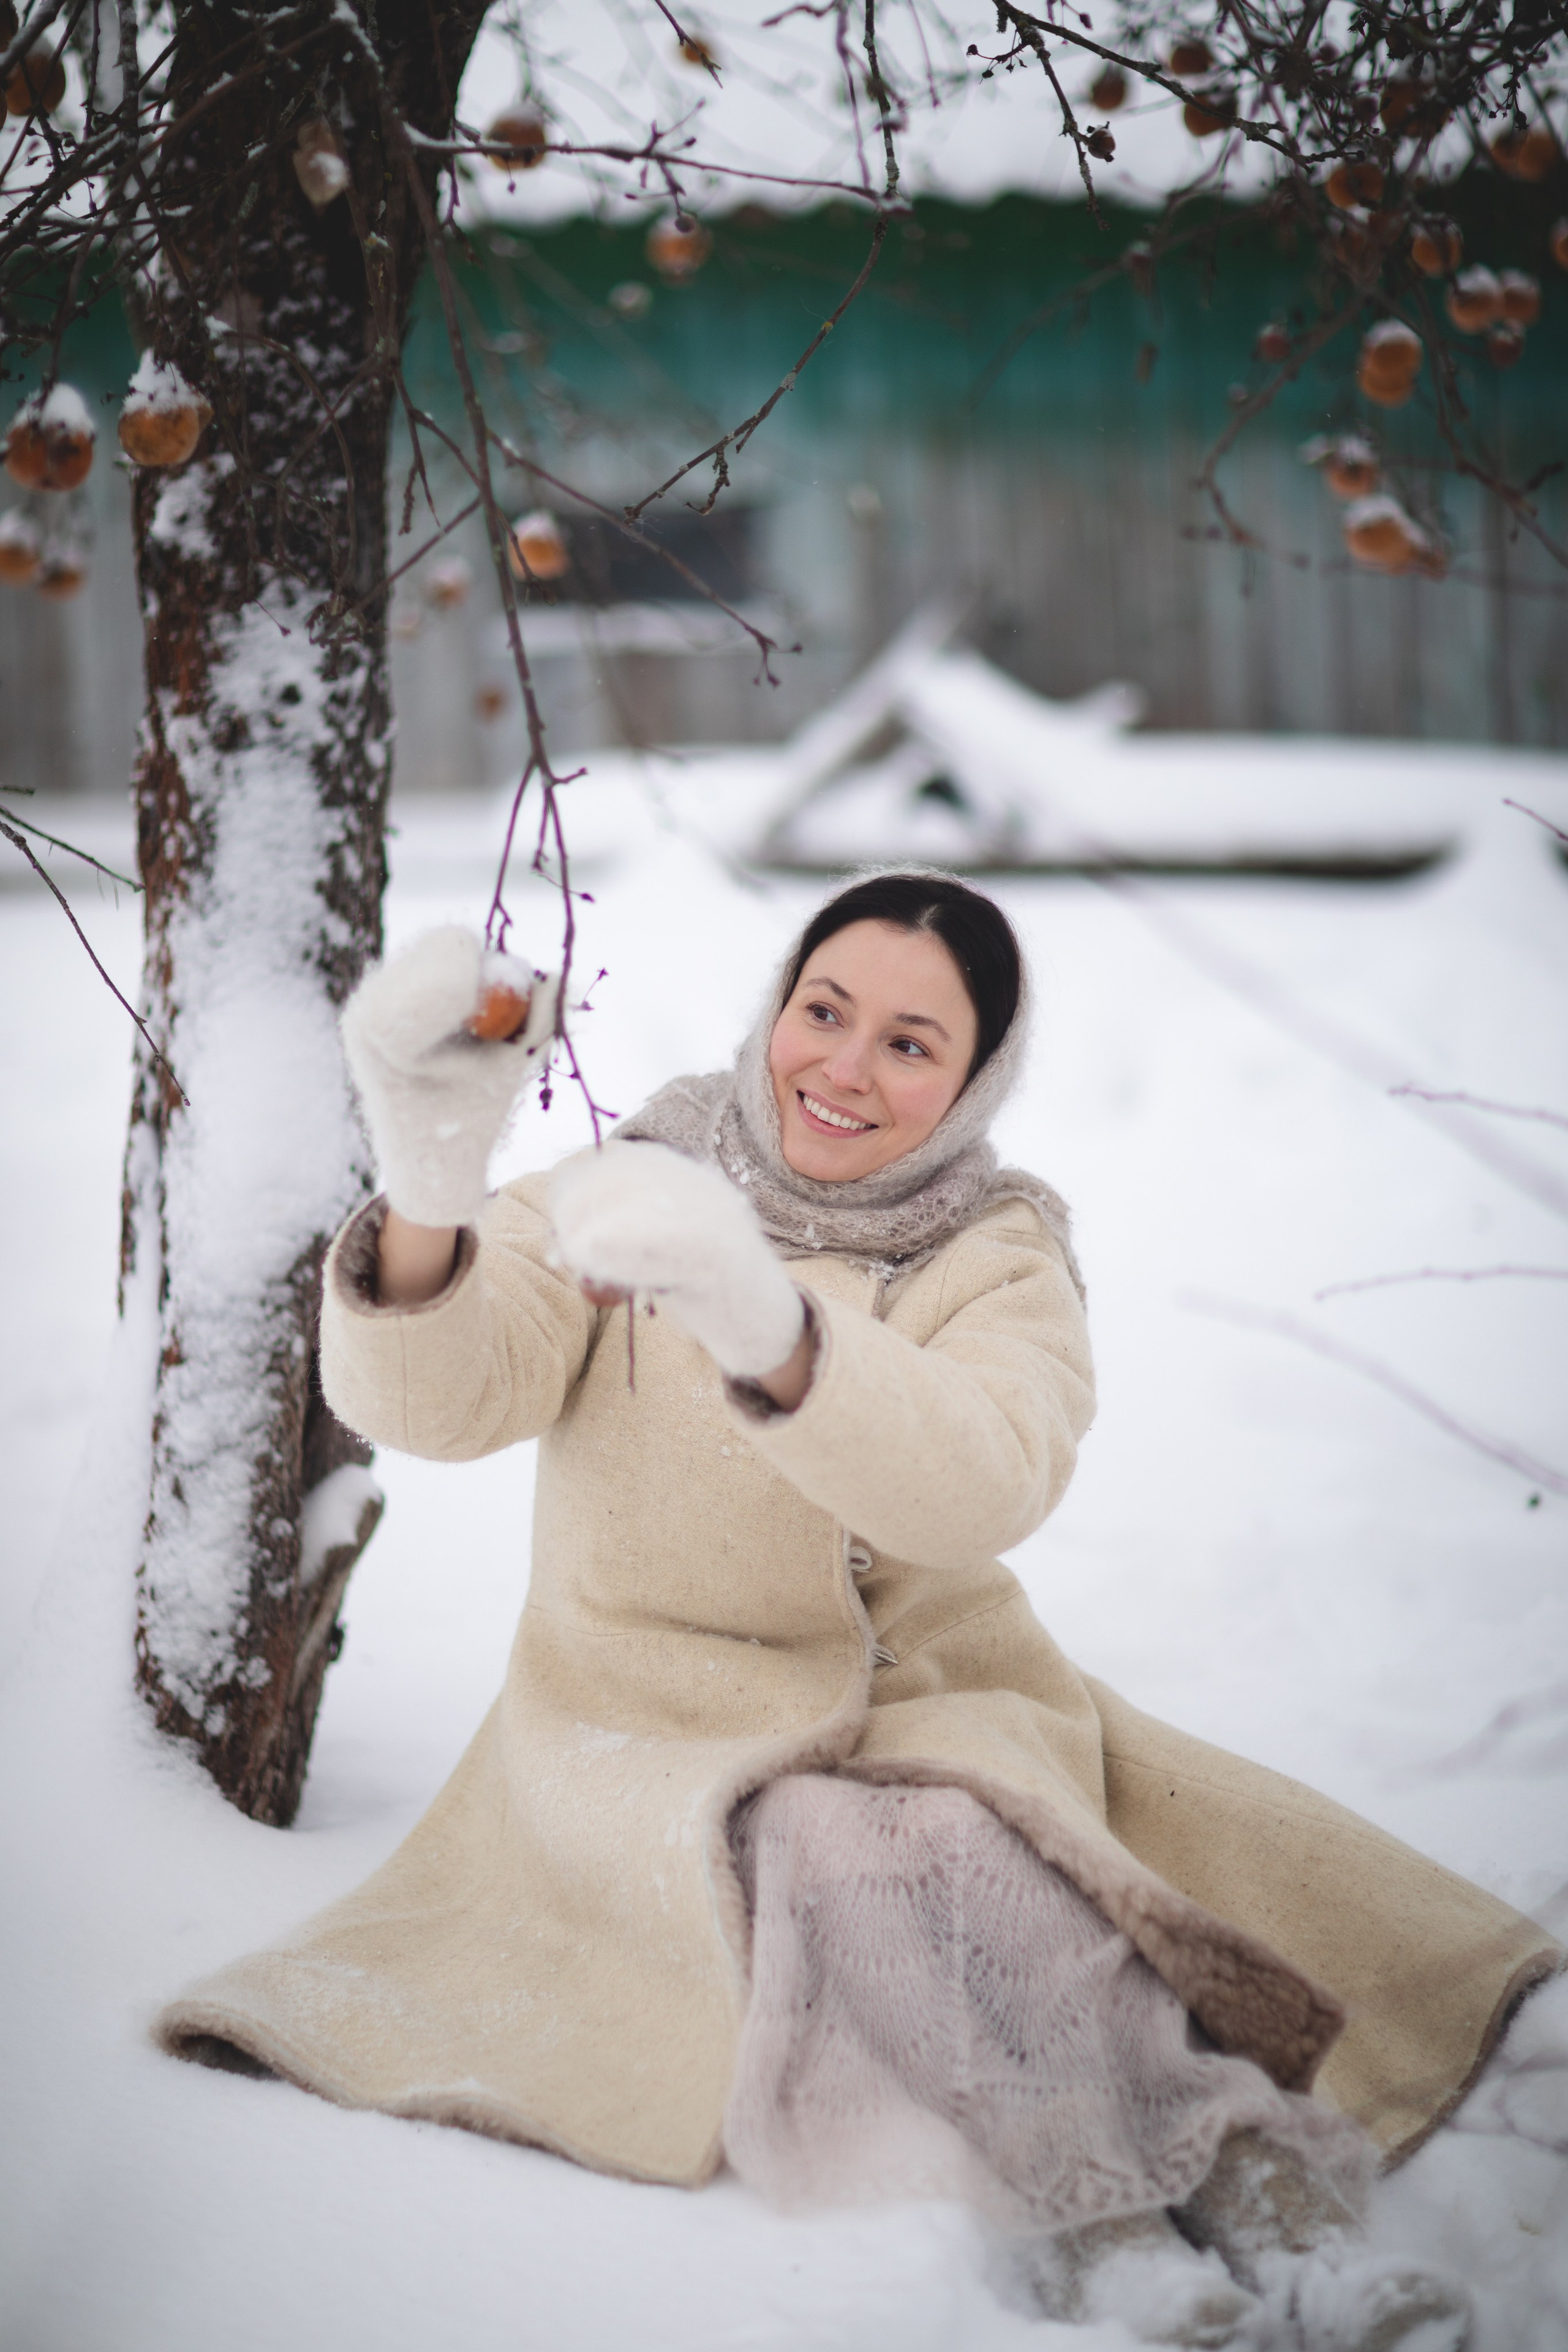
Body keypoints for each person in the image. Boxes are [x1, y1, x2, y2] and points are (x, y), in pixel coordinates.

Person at [157, 872, 1559, 2350]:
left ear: (970, 1081)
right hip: (639, 1720)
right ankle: (1107, 2234)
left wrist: (765, 1323)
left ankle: (1286, 2219)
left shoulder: (997, 1248)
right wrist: (436, 1177)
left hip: (930, 1693)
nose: (842, 1066)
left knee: (968, 1836)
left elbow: (984, 1477)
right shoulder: (638, 1181)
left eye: (909, 1043)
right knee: (871, 1846)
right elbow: (441, 1401)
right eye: (822, 1012)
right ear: (775, 1009)